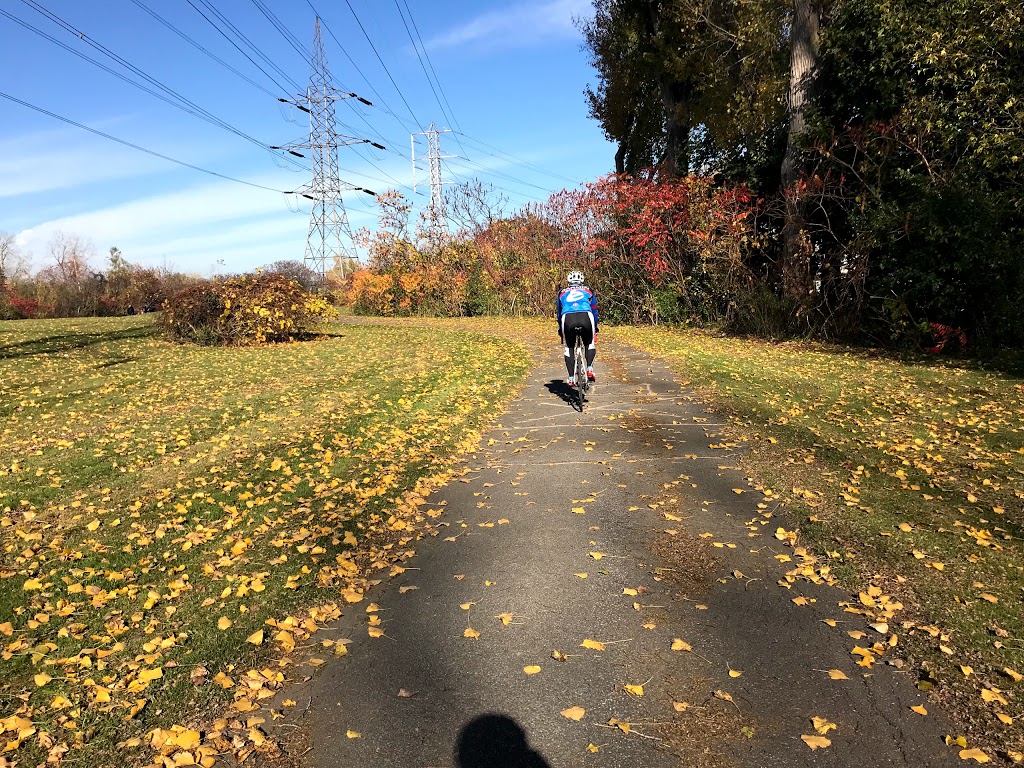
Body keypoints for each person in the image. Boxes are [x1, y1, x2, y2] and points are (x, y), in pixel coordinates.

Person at [556, 270, 598, 386]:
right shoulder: (589, 290)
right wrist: (596, 328)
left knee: (569, 347)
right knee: (589, 343)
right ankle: (589, 368)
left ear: (569, 282)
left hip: (567, 318)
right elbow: (594, 310)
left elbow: (559, 313)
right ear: (582, 281)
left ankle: (570, 377)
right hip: (586, 315)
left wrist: (561, 329)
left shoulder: (561, 292)